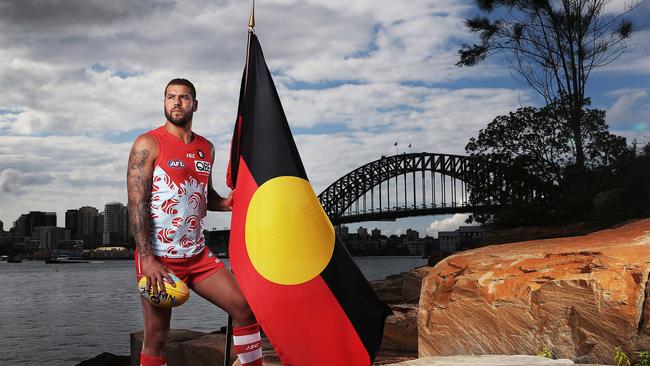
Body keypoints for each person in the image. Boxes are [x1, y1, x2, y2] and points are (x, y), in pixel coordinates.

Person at [127, 78, 262, 366]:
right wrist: (148, 260)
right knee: (157, 336)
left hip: (197, 255)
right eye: (171, 96)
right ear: (164, 103)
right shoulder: (147, 143)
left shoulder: (207, 148)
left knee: (245, 310)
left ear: (195, 105)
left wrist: (227, 203)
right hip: (160, 258)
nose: (177, 102)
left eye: (184, 97)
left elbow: (205, 195)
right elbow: (136, 205)